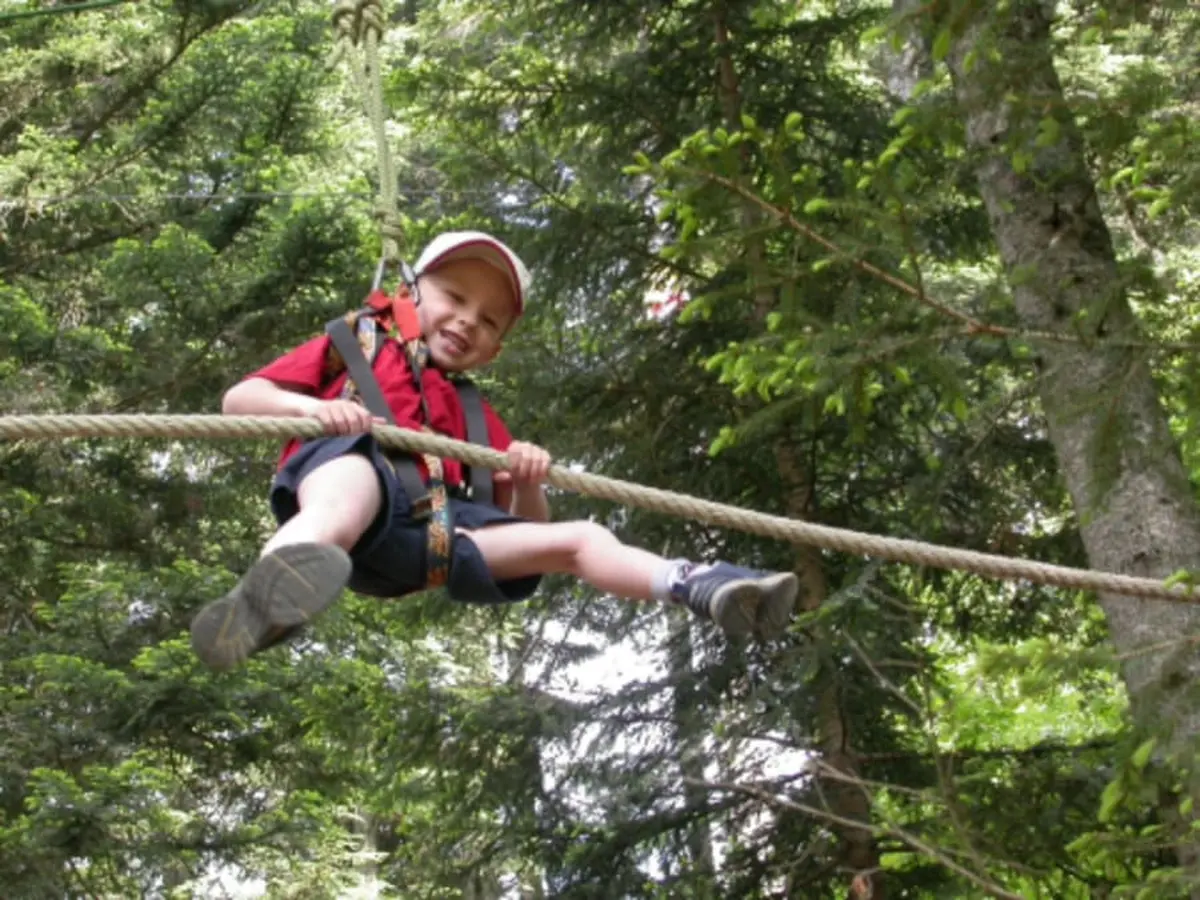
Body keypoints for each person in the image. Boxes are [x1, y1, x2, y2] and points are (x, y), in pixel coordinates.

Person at [190, 231, 798, 671]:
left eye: (487, 322)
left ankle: (700, 586)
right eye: (453, 297)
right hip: (354, 492)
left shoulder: (480, 419)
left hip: (434, 541)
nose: (465, 322)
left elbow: (526, 538)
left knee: (580, 538)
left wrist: (527, 479)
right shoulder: (358, 342)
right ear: (411, 292)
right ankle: (266, 596)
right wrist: (315, 411)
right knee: (353, 479)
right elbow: (242, 398)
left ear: (495, 349)